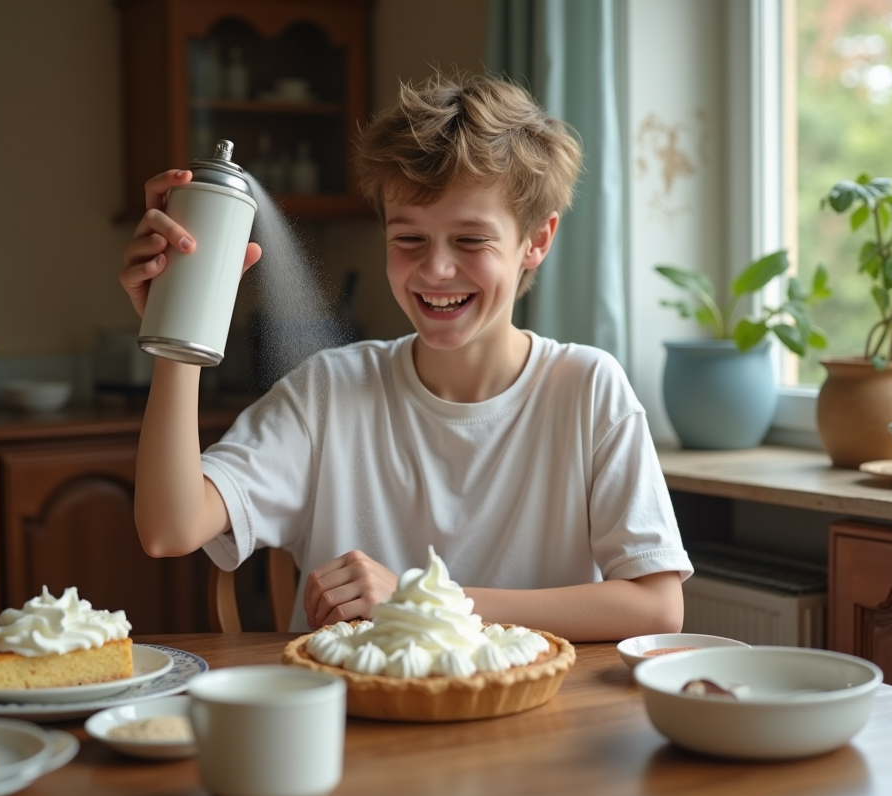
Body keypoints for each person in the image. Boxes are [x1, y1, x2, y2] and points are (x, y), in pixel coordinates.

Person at [120, 73, 692, 642]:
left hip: (533, 721)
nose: (436, 270)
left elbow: (657, 607)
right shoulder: (329, 393)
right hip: (360, 725)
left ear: (536, 241)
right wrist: (179, 324)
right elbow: (170, 529)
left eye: (471, 240)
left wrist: (421, 601)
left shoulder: (588, 389)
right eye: (409, 239)